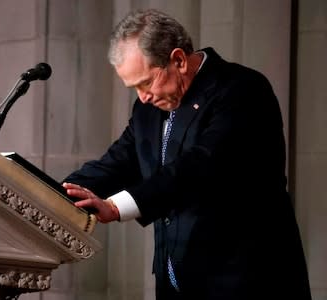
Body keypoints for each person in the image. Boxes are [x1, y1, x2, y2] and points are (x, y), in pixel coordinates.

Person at [62, 9, 311, 300]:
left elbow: (201, 165)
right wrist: (54, 193)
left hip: (246, 281)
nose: (142, 97)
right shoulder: (147, 108)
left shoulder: (242, 89)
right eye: (134, 88)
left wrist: (116, 207)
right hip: (178, 284)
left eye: (146, 83)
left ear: (178, 60)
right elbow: (119, 160)